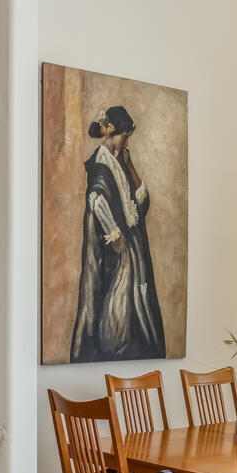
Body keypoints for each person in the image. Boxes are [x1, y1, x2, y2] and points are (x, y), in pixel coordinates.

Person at [70, 104, 167, 363]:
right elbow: (96, 198)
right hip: (118, 254)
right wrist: (114, 235)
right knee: (116, 307)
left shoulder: (119, 161)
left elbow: (141, 204)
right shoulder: (100, 164)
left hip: (133, 252)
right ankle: (114, 349)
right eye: (124, 137)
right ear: (112, 133)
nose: (126, 142)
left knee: (135, 309)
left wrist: (130, 164)